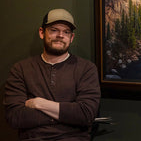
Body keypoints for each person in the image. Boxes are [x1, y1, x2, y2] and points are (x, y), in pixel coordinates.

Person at [4, 8, 101, 140]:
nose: (60, 35)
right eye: (54, 30)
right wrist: (68, 115)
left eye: (66, 32)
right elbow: (15, 117)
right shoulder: (20, 69)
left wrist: (40, 104)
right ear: (42, 32)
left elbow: (86, 114)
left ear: (71, 38)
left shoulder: (86, 69)